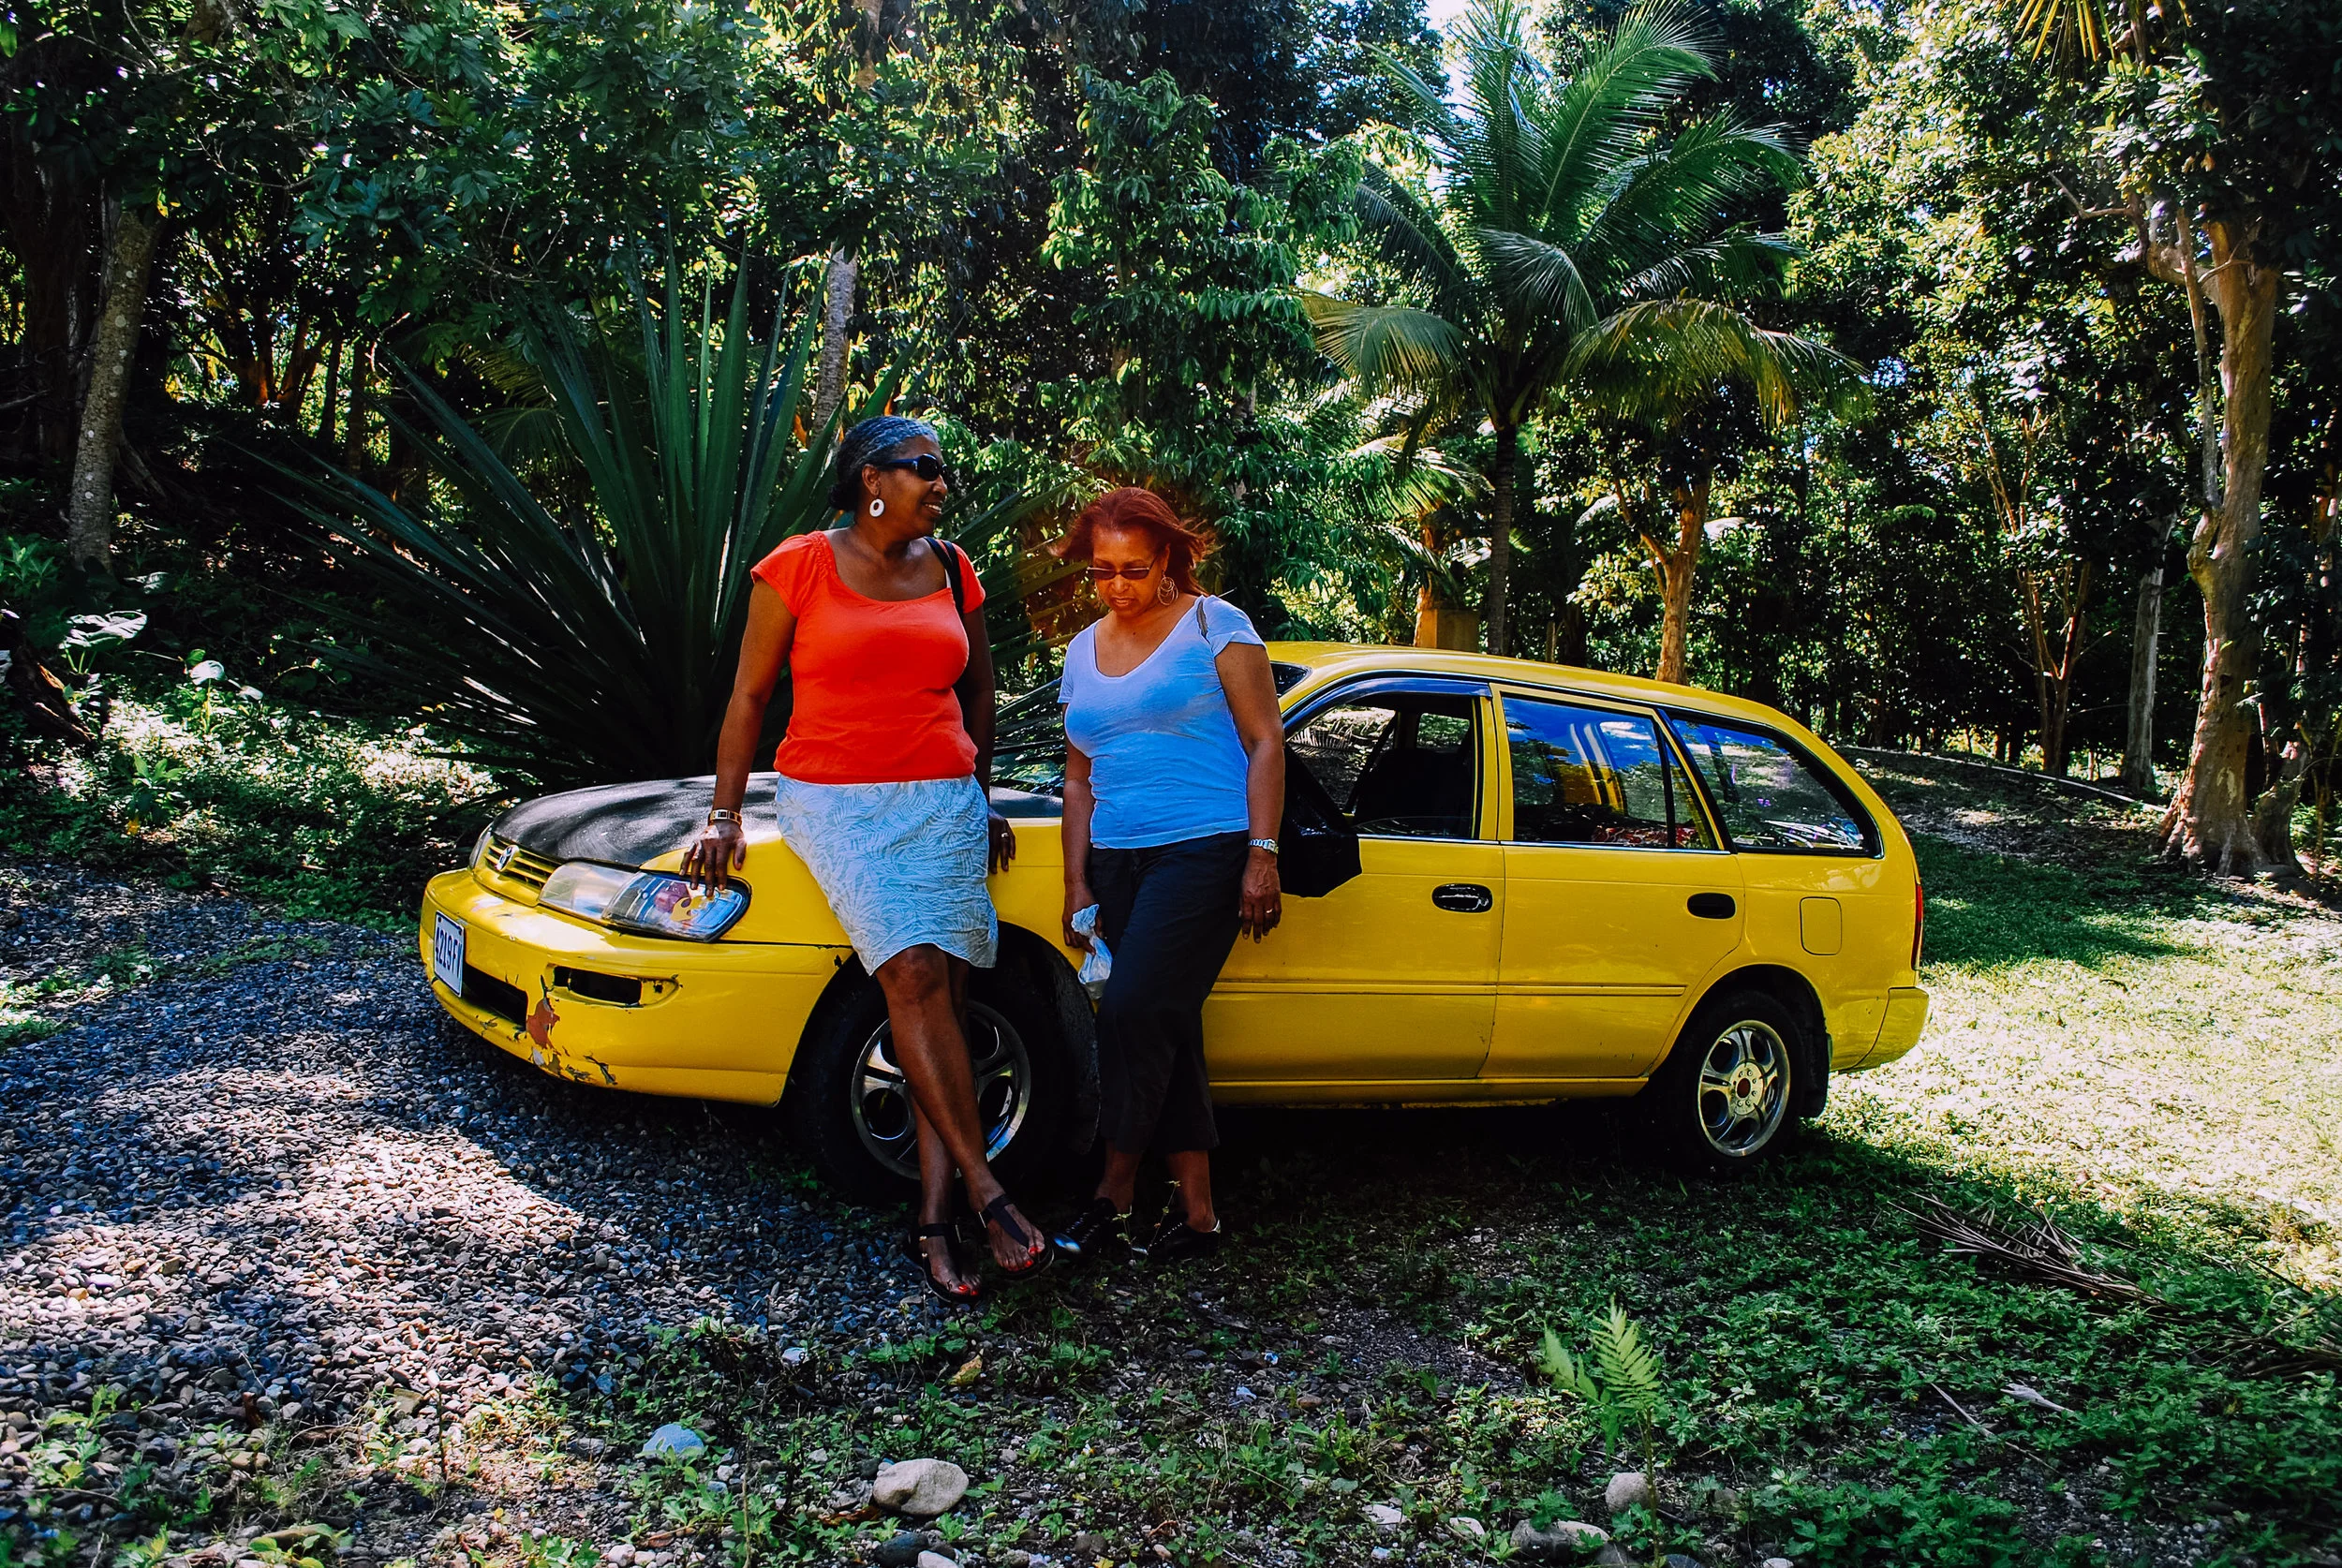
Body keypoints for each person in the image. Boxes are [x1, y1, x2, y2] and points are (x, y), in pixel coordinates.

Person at [681, 415, 1049, 1304]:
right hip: (837, 799)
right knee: (913, 974)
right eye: (924, 468)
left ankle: (935, 1221)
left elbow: (979, 694)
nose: (941, 484)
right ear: (870, 479)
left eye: (943, 471)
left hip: (943, 800)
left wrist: (984, 797)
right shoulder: (800, 565)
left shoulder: (955, 569)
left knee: (947, 1007)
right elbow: (750, 693)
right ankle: (990, 1192)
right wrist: (725, 812)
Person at [1047, 487, 1285, 1265]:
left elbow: (1265, 742)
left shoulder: (1216, 625)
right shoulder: (1082, 649)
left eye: (1136, 569)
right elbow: (1077, 780)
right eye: (1101, 572)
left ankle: (1112, 1195)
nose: (1118, 586)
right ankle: (1199, 1217)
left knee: (1131, 1011)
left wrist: (1262, 853)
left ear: (1170, 562)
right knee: (1167, 1025)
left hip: (1205, 848)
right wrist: (1076, 882)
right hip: (1117, 858)